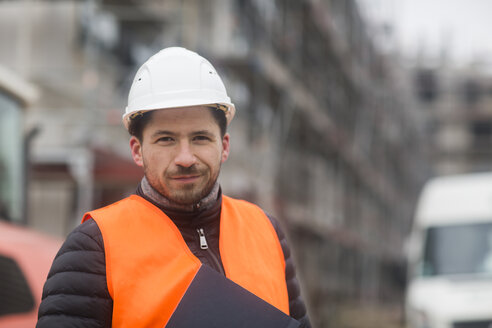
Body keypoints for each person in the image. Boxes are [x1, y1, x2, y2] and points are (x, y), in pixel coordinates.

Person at [36, 47, 311, 327]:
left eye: (201, 138)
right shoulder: (94, 247)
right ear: (137, 150)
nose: (185, 158)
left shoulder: (268, 233)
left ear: (224, 146)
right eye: (166, 139)